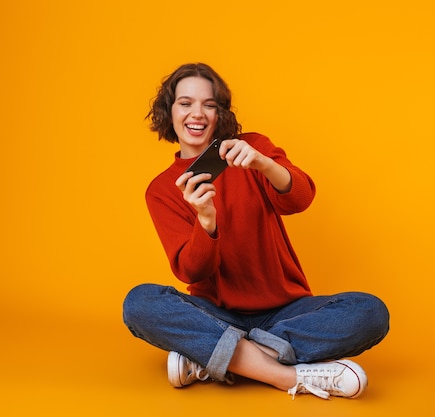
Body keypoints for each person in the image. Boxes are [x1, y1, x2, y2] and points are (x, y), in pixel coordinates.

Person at [123, 62, 389, 400]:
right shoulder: (161, 190)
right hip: (215, 312)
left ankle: (216, 357)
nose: (198, 113)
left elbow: (301, 199)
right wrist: (206, 221)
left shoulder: (251, 148)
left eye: (209, 104)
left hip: (286, 312)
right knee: (140, 303)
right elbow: (192, 271)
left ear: (220, 112)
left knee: (370, 312)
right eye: (185, 103)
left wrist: (263, 162)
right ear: (169, 111)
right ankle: (285, 376)